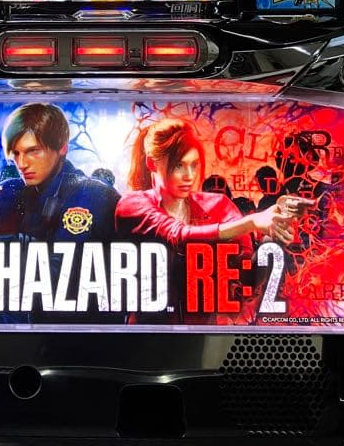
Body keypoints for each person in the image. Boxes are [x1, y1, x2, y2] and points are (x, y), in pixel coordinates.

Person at [115, 119, 314, 321]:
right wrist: (252, 222)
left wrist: (272, 242)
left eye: (194, 165)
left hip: (204, 331)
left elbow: (245, 278)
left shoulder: (219, 206)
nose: (189, 176)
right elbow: (177, 235)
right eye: (178, 166)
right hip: (148, 333)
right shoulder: (133, 205)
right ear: (152, 163)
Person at [0, 103, 119, 244]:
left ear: (62, 147)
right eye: (16, 153)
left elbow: (64, 266)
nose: (21, 164)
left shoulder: (93, 194)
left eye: (33, 151)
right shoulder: (15, 188)